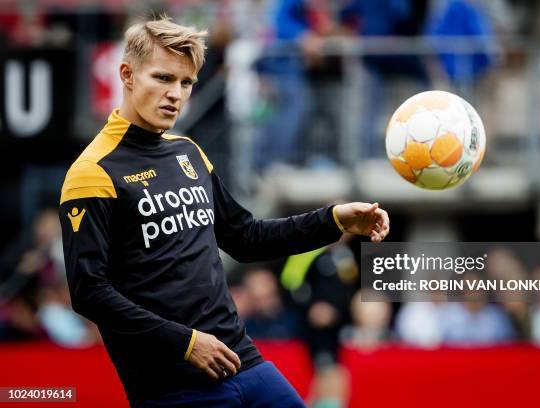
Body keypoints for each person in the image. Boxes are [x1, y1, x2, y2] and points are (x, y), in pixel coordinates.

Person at [58, 16, 390, 408]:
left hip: (244, 362)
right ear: (127, 75)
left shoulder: (189, 153)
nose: (175, 95)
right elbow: (89, 293)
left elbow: (245, 237)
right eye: (163, 78)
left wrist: (332, 219)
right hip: (172, 385)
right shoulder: (91, 173)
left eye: (186, 83)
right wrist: (186, 343)